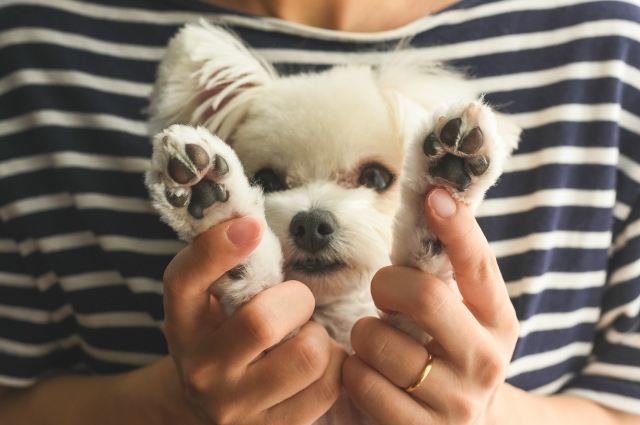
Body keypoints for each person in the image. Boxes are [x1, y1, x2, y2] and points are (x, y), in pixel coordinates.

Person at [0, 0, 639, 424]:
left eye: (374, 177)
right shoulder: (29, 45)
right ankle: (243, 252)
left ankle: (427, 235)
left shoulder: (613, 44)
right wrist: (173, 403)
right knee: (251, 255)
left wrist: (493, 413)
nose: (311, 218)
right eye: (269, 180)